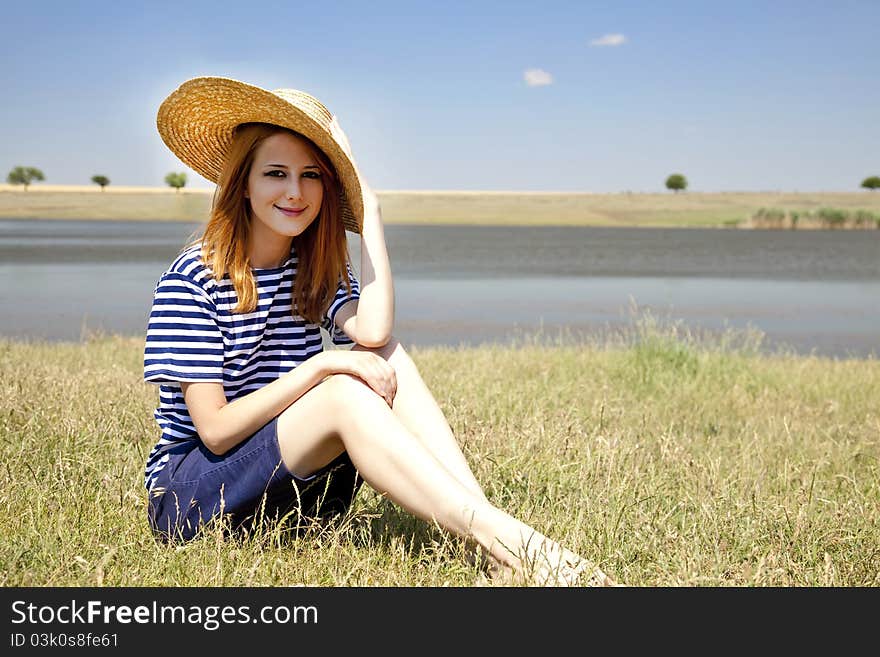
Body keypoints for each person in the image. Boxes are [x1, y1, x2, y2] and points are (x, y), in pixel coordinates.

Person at [143, 76, 619, 587]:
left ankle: (491, 538)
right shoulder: (194, 277)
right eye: (275, 173)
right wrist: (323, 364)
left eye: (312, 176)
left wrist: (370, 209)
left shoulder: (309, 268)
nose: (295, 191)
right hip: (192, 500)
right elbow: (213, 430)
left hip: (293, 497)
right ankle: (514, 546)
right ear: (243, 183)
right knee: (343, 387)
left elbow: (373, 331)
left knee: (384, 354)